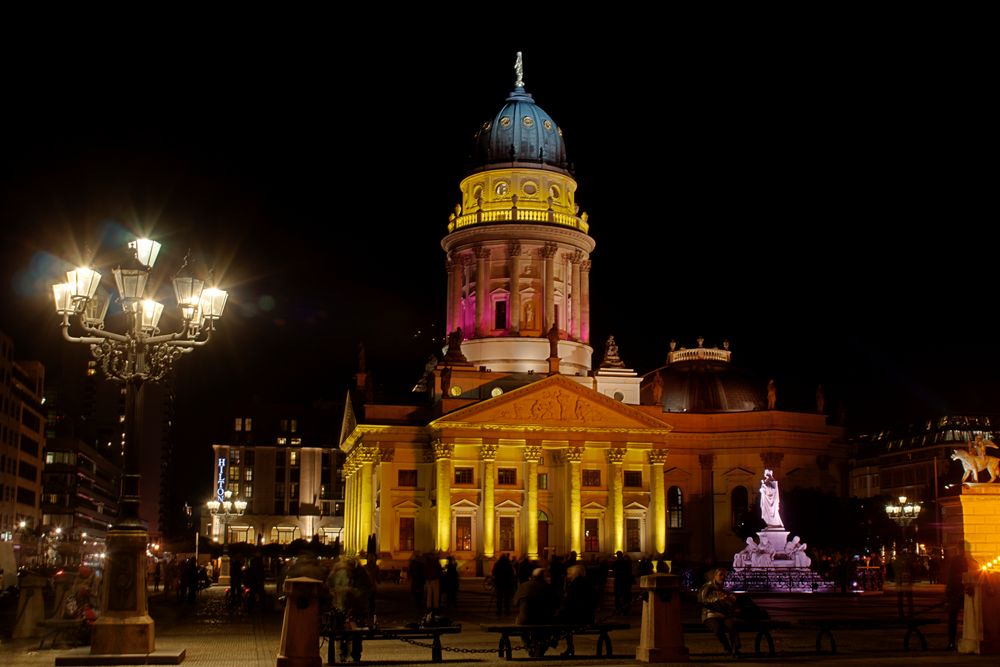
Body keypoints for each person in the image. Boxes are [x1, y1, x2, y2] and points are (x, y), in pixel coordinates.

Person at [698, 567, 740, 657]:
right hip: (710, 615)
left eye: (724, 575)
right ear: (715, 576)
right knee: (718, 629)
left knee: (732, 625)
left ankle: (735, 649)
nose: (723, 577)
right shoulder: (707, 587)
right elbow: (702, 600)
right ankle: (728, 647)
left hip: (723, 615)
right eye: (720, 575)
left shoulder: (723, 589)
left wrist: (731, 600)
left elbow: (727, 605)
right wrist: (718, 599)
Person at [555, 564, 594, 657]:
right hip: (588, 616)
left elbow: (569, 602)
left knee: (557, 620)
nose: (567, 576)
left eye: (569, 574)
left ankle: (553, 641)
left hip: (578, 617)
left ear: (574, 574)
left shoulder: (575, 584)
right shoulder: (587, 582)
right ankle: (568, 647)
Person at [944, 546, 968, 650]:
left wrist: (948, 591)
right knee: (963, 617)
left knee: (953, 618)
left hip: (955, 591)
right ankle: (955, 640)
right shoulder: (966, 560)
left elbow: (950, 576)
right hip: (962, 590)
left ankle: (951, 642)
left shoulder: (956, 560)